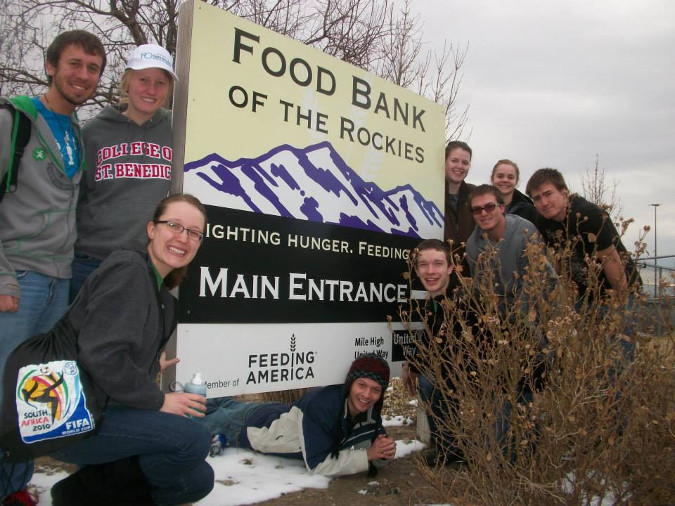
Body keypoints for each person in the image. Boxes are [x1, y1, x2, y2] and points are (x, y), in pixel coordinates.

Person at [46, 194, 214, 505]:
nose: (183, 238)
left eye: (193, 232)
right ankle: (82, 494)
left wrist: (150, 366)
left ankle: (88, 490)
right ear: (152, 229)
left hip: (108, 409)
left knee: (198, 479)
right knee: (193, 439)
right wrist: (159, 399)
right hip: (70, 415)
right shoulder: (129, 270)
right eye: (174, 225)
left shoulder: (162, 297)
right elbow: (101, 356)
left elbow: (113, 356)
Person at [0, 29, 106, 506]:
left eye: (93, 68)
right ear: (50, 66)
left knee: (32, 396)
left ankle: (15, 486)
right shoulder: (14, 121)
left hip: (60, 282)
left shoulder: (78, 134)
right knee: (1, 391)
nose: (83, 75)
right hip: (16, 277)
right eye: (75, 64)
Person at [70, 44, 177, 300]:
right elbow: (73, 199)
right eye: (143, 80)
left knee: (140, 340)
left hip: (150, 264)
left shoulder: (178, 129)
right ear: (127, 82)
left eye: (160, 83)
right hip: (91, 263)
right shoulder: (92, 132)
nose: (151, 90)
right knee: (82, 340)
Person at [200, 354, 397, 477]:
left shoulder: (369, 409)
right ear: (350, 384)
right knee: (196, 420)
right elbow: (319, 465)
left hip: (273, 412)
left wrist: (383, 452)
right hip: (250, 427)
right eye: (361, 385)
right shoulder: (323, 405)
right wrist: (368, 455)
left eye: (375, 390)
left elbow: (376, 449)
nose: (366, 395)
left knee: (219, 402)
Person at [525, 168, 641, 305]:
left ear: (564, 192)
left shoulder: (588, 215)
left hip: (621, 290)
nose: (544, 202)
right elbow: (558, 262)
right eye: (537, 198)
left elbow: (611, 260)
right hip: (585, 297)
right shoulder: (543, 221)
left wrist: (621, 305)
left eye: (548, 194)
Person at [401, 239, 467, 466]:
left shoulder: (464, 299)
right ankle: (449, 447)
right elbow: (435, 340)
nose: (430, 271)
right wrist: (413, 365)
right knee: (430, 379)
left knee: (433, 381)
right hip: (468, 375)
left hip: (508, 385)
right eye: (423, 264)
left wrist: (420, 368)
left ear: (451, 268)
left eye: (438, 264)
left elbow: (450, 354)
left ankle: (453, 445)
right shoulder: (437, 300)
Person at [465, 184, 555, 311]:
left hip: (541, 310)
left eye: (490, 207)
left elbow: (538, 287)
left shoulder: (526, 233)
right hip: (503, 319)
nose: (483, 213)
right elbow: (485, 293)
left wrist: (519, 323)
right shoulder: (472, 246)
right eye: (477, 209)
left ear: (502, 207)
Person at [443, 141, 476, 270]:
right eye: (454, 160)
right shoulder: (430, 193)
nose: (460, 166)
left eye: (465, 162)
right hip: (439, 273)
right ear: (445, 161)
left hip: (469, 273)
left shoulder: (475, 195)